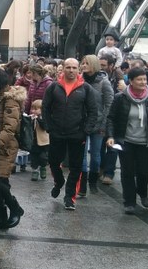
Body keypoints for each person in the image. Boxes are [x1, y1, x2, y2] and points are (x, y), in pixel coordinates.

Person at [106, 67, 148, 215]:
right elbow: (111, 118)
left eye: (144, 79)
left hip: (146, 142)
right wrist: (111, 136)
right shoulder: (121, 97)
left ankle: (143, 192)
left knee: (144, 171)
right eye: (139, 79)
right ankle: (129, 202)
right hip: (125, 140)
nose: (142, 82)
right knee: (127, 172)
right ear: (131, 81)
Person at [42, 58, 99, 211]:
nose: (71, 70)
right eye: (68, 67)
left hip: (77, 134)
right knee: (53, 162)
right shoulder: (54, 86)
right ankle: (59, 181)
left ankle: (69, 197)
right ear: (63, 69)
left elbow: (93, 111)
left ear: (78, 69)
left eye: (74, 68)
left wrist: (86, 130)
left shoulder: (85, 88)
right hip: (57, 133)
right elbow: (45, 108)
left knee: (76, 167)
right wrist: (48, 127)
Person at [79, 55, 114, 197]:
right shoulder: (79, 80)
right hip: (82, 123)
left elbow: (109, 104)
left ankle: (92, 181)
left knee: (95, 156)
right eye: (83, 63)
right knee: (81, 156)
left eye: (87, 63)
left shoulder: (103, 82)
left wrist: (104, 123)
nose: (84, 65)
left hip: (99, 124)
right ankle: (82, 186)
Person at [0, 70, 26, 229]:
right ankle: (1, 216)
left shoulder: (10, 100)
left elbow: (10, 129)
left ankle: (14, 207)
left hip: (5, 147)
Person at [29, 99, 49, 181]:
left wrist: (38, 119)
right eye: (32, 109)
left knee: (43, 157)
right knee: (34, 157)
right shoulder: (32, 118)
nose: (33, 111)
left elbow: (45, 127)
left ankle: (43, 167)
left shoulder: (44, 117)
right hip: (34, 141)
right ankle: (34, 171)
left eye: (36, 109)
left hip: (44, 142)